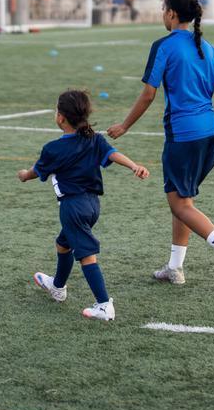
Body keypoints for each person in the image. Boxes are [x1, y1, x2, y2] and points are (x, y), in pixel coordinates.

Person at [107, 0, 214, 293]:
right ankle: (175, 267)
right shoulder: (207, 47)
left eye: (164, 9)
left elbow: (149, 94)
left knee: (179, 203)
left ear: (172, 14)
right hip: (210, 134)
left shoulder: (163, 46)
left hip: (183, 136)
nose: (163, 14)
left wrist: (125, 125)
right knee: (182, 200)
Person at [19, 90, 149, 321]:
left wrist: (23, 175)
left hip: (72, 208)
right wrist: (133, 165)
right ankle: (57, 286)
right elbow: (113, 154)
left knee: (86, 255)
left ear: (61, 117)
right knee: (63, 244)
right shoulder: (94, 139)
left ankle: (103, 305)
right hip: (92, 206)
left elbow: (34, 172)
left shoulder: (53, 149)